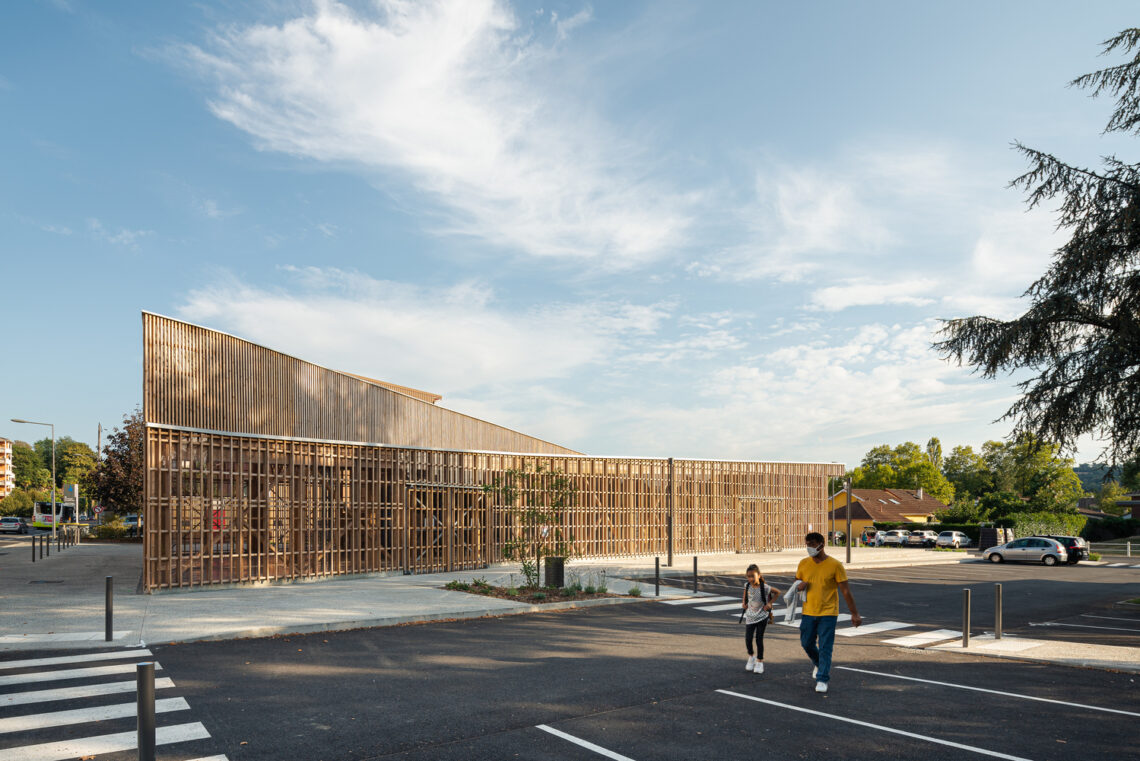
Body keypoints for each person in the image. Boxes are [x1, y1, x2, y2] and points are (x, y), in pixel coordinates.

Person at [794, 531, 861, 694]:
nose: (809, 548)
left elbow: (845, 591)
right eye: (807, 544)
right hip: (809, 611)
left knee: (825, 646)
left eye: (812, 544)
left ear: (821, 545)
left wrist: (854, 614)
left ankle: (822, 678)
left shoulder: (835, 565)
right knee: (806, 643)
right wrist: (799, 585)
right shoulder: (803, 563)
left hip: (828, 613)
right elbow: (797, 583)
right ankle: (818, 664)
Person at [740, 563, 779, 674]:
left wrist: (770, 604)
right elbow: (745, 595)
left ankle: (760, 661)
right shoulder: (747, 585)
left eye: (753, 576)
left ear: (759, 575)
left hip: (762, 616)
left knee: (759, 639)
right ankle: (751, 656)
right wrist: (744, 603)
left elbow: (777, 592)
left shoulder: (765, 587)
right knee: (748, 639)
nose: (750, 578)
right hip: (750, 616)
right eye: (748, 576)